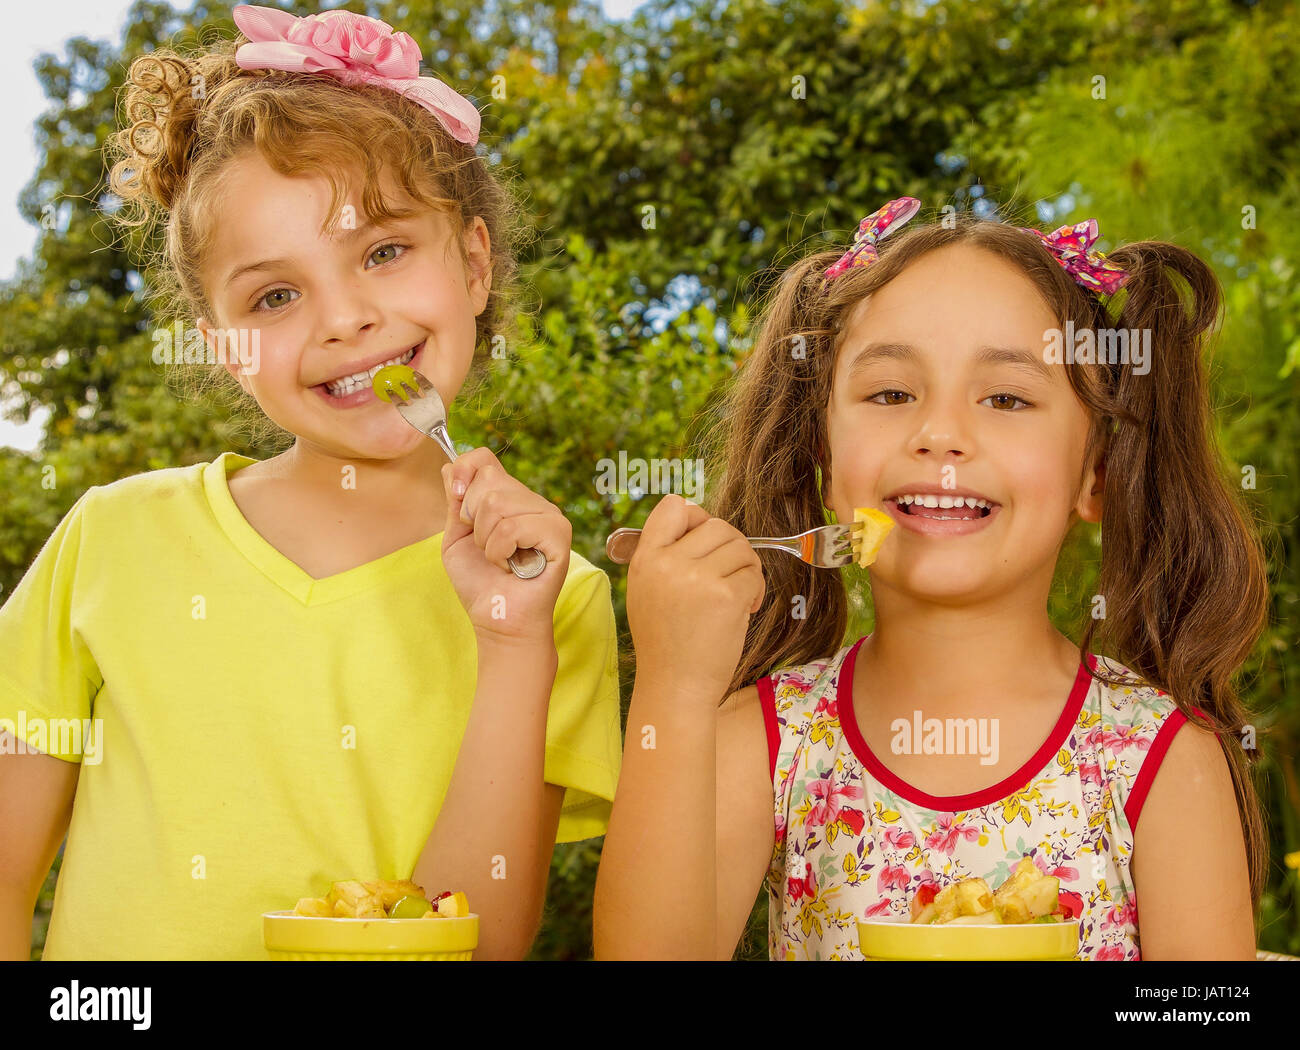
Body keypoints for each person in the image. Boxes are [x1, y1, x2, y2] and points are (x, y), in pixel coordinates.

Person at [0, 5, 621, 960]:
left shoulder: (553, 595)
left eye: (383, 251)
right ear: (222, 345)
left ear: (474, 263)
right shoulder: (108, 542)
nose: (345, 320)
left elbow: (483, 939)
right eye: (276, 295)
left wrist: (511, 642)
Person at [595, 197, 1268, 960]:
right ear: (820, 449)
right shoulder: (769, 742)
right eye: (890, 394)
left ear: (1098, 471)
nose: (940, 436)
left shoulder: (1160, 759)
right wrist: (674, 687)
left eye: (1008, 398)